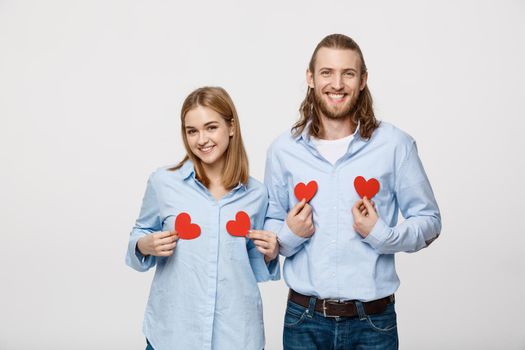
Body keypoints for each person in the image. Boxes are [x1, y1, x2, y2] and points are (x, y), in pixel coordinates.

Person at [264, 34, 441, 349]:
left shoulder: (395, 145)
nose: (337, 83)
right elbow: (269, 228)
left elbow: (429, 220)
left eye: (348, 73)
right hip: (303, 321)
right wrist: (289, 234)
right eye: (327, 72)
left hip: (373, 323)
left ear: (362, 80)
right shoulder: (283, 151)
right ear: (310, 78)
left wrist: (382, 235)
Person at [126, 86, 280, 350]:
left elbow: (252, 266)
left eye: (211, 127)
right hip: (173, 333)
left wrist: (270, 252)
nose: (201, 139)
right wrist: (144, 245)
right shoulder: (164, 182)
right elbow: (139, 235)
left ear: (231, 127)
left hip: (236, 335)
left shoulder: (256, 194)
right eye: (192, 131)